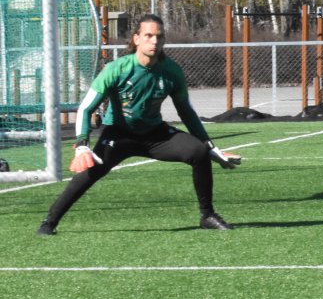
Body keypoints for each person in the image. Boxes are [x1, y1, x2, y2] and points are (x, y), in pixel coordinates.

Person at [37, 14, 241, 235]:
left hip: (155, 135)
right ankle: (49, 222)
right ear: (136, 39)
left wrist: (210, 146)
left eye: (159, 37)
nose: (154, 41)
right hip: (119, 135)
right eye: (148, 35)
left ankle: (207, 215)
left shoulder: (172, 71)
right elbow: (86, 108)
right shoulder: (117, 69)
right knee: (89, 174)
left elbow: (186, 112)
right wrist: (82, 145)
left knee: (198, 152)